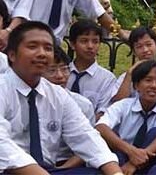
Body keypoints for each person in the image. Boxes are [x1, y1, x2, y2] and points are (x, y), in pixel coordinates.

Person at [0, 21, 122, 174]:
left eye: (48, 48)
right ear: (11, 55)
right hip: (9, 170)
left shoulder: (58, 95)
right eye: (32, 47)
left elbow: (85, 135)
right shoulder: (3, 89)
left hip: (49, 170)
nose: (42, 53)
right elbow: (3, 147)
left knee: (100, 171)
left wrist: (116, 172)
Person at [96, 61, 156, 174]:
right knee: (111, 142)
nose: (153, 85)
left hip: (152, 163)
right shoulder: (123, 105)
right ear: (136, 85)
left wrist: (134, 162)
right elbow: (100, 127)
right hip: (122, 161)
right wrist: (130, 151)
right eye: (148, 80)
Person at [111, 27, 156, 103]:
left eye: (149, 45)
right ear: (134, 52)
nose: (145, 50)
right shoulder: (127, 76)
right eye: (139, 47)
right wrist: (129, 75)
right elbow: (116, 104)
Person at [66, 20, 116, 114]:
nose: (90, 46)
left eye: (95, 42)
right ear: (72, 44)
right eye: (84, 41)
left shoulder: (107, 79)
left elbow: (103, 113)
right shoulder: (62, 73)